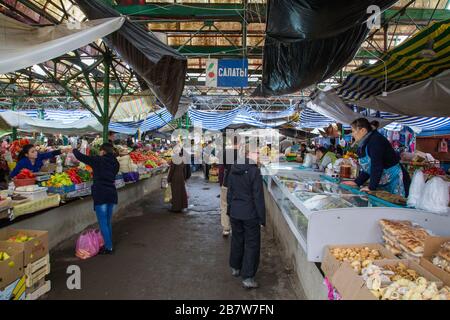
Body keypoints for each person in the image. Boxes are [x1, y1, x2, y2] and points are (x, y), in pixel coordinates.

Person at [227, 150, 265, 289]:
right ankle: (248, 277)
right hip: (250, 213)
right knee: (251, 244)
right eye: (257, 153)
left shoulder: (234, 168)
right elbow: (258, 196)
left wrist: (229, 210)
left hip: (235, 212)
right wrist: (262, 218)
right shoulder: (254, 171)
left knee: (237, 239)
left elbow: (230, 192)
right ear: (249, 155)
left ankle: (236, 267)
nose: (259, 156)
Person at [72, 143, 120, 254]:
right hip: (111, 192)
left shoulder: (98, 160)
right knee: (107, 222)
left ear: (103, 151)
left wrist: (74, 149)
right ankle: (108, 244)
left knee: (103, 222)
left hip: (101, 192)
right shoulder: (116, 163)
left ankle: (108, 247)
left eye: (100, 151)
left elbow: (81, 157)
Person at [342, 118, 408, 197]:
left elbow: (376, 166)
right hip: (384, 180)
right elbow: (369, 168)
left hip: (395, 180)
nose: (352, 134)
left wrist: (371, 187)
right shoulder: (365, 142)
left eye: (353, 131)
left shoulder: (375, 140)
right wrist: (357, 182)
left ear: (362, 130)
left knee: (396, 205)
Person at [167, 148, 189, 213]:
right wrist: (184, 178)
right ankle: (181, 206)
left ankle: (176, 208)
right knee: (181, 192)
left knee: (176, 193)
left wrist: (169, 179)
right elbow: (185, 170)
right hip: (181, 177)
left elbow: (171, 171)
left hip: (175, 177)